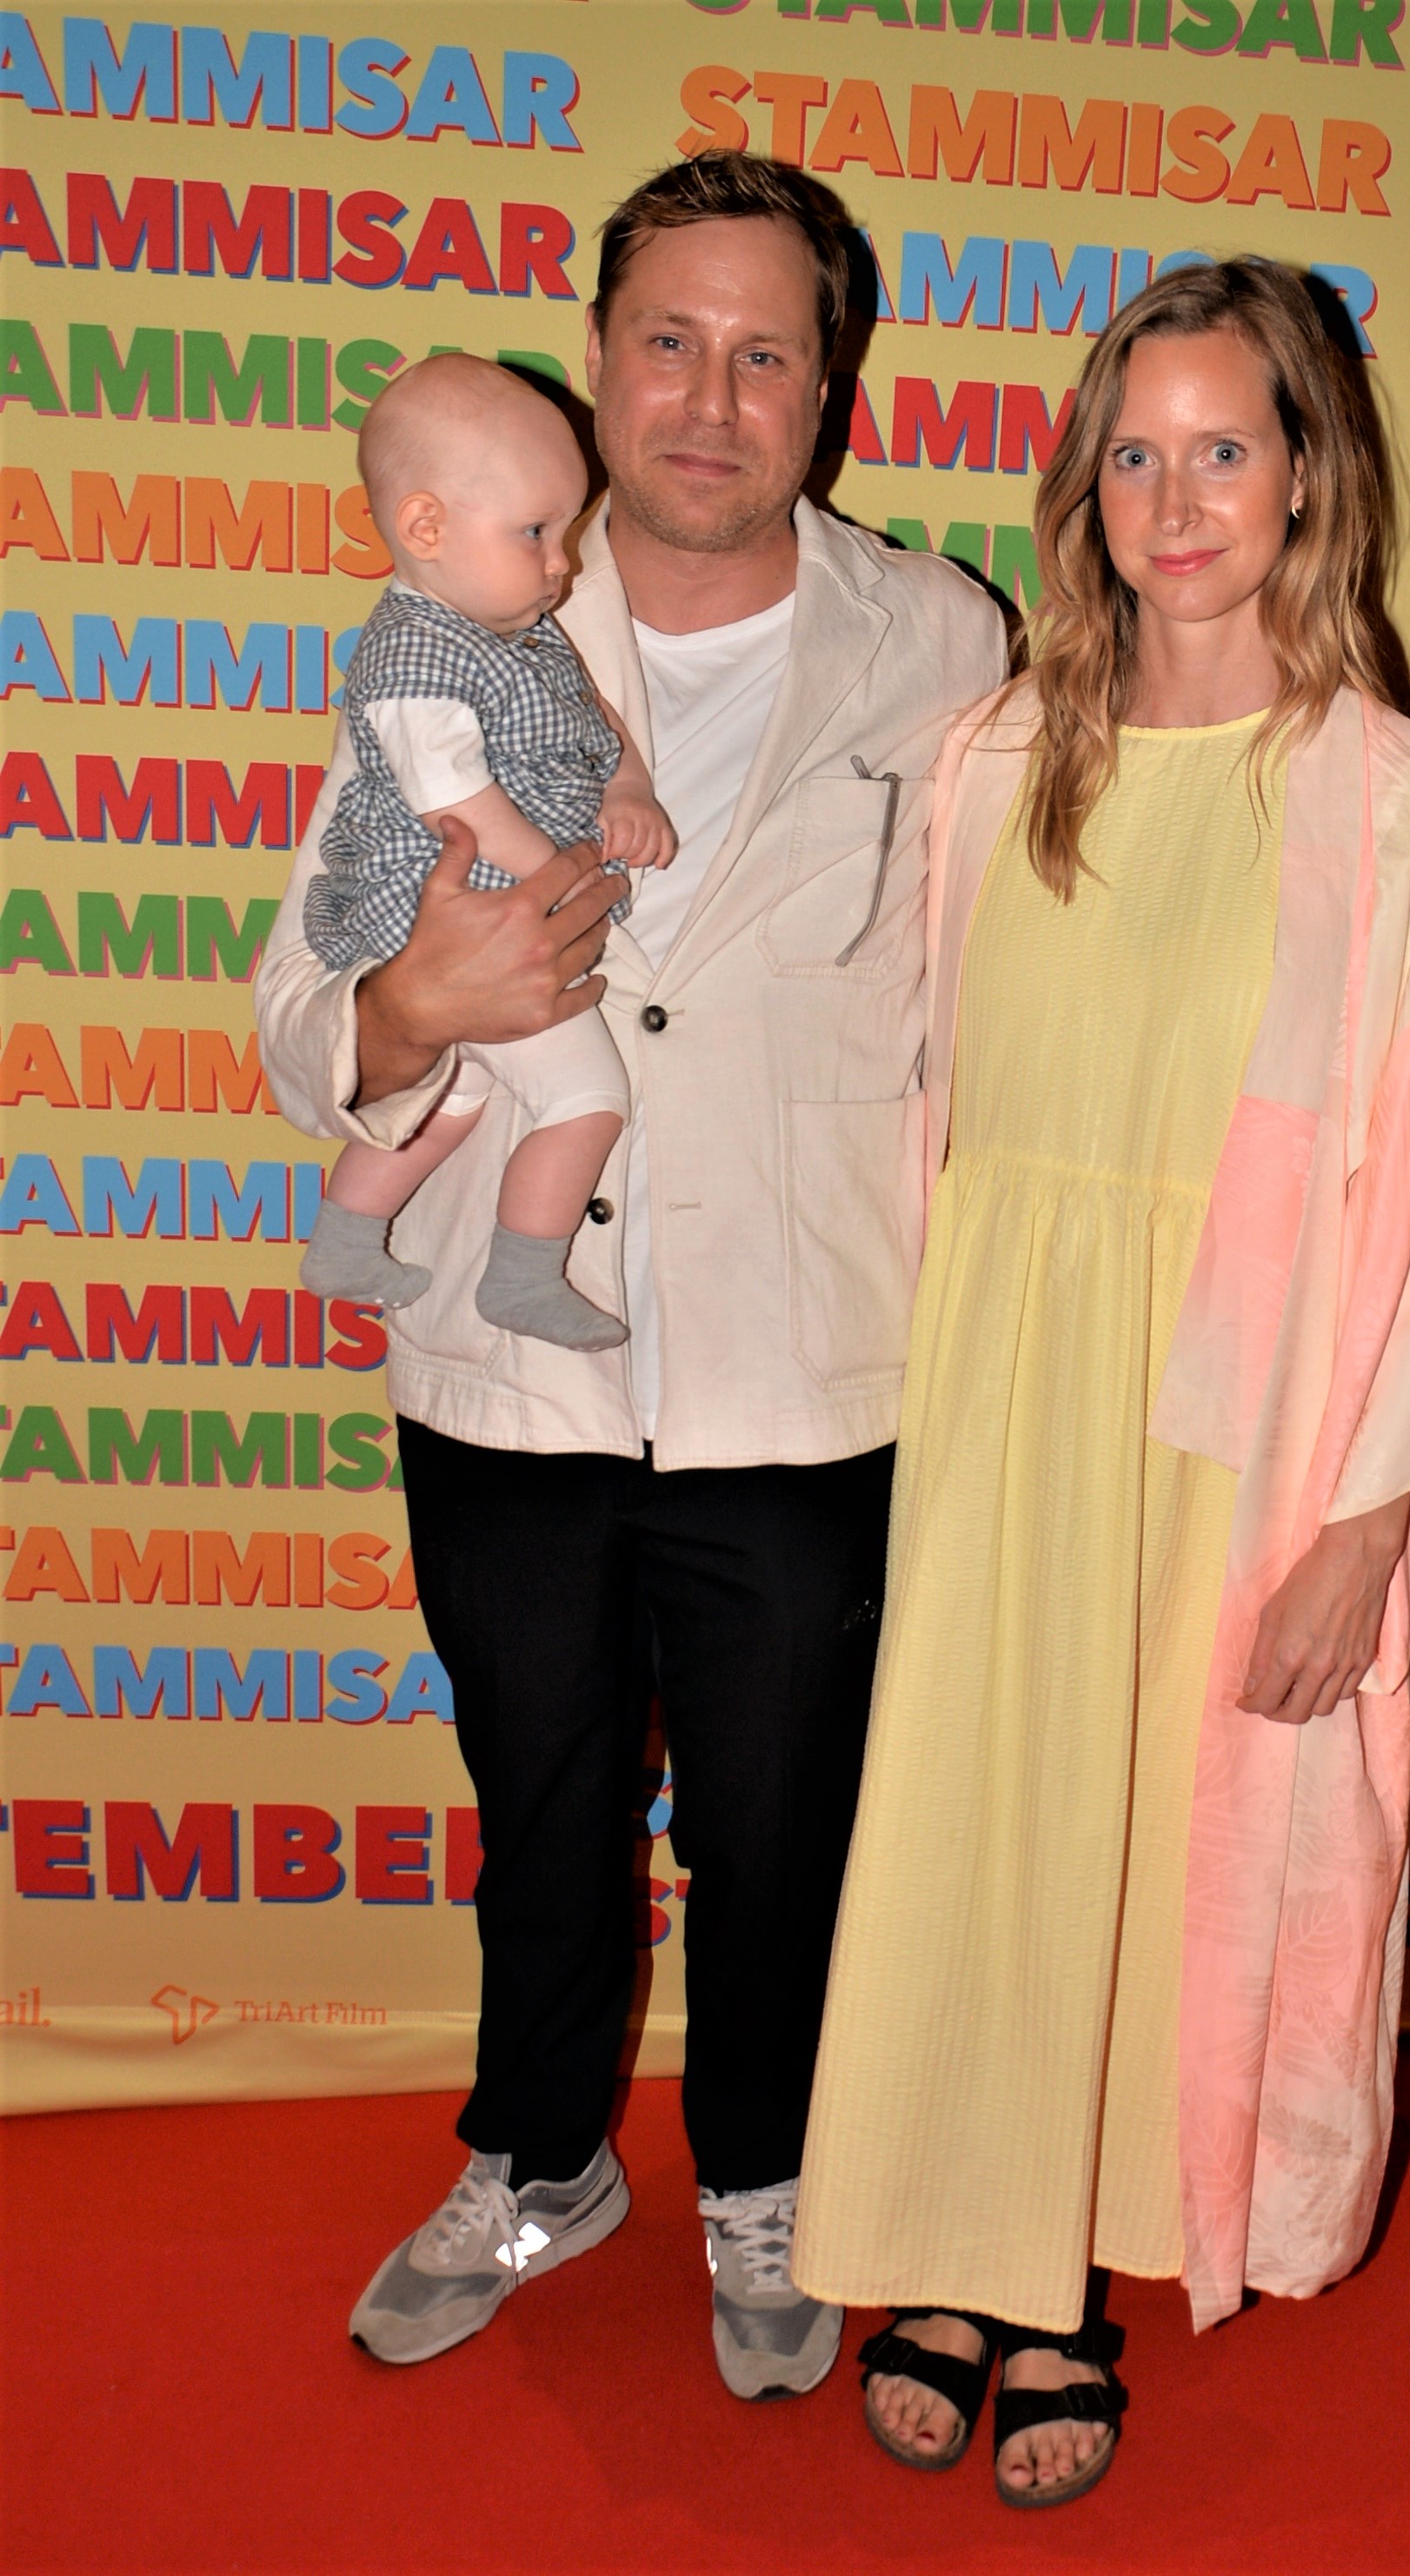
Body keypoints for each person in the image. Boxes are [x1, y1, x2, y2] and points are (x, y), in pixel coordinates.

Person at [255, 152, 1006, 2394]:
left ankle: (767, 2177)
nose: (709, 395)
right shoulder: (456, 614)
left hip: (809, 1363)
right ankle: (541, 2157)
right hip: (505, 1364)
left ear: (827, 389)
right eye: (668, 340)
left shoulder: (942, 640)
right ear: (594, 363)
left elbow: (988, 1007)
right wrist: (410, 1013)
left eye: (766, 351)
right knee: (547, 1810)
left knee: (786, 1829)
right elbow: (302, 995)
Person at [792, 257, 1410, 2506]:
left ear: (1307, 479)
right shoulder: (994, 756)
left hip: (1242, 1436)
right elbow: (921, 1107)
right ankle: (954, 2239)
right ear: (1084, 486)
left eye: (1225, 448)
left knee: (1151, 1850)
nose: (1177, 499)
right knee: (982, 1822)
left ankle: (1062, 2291)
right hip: (1001, 1393)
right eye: (1135, 453)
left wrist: (1364, 1525)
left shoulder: (1385, 797)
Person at [299, 353, 675, 1352]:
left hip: (493, 914)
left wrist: (626, 788)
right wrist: (566, 882)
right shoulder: (414, 661)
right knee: (588, 1098)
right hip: (453, 913)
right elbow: (457, 810)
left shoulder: (516, 628)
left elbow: (590, 710)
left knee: (457, 1096)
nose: (564, 564)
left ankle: (344, 1242)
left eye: (566, 531)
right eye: (536, 533)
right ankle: (522, 1276)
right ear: (425, 529)